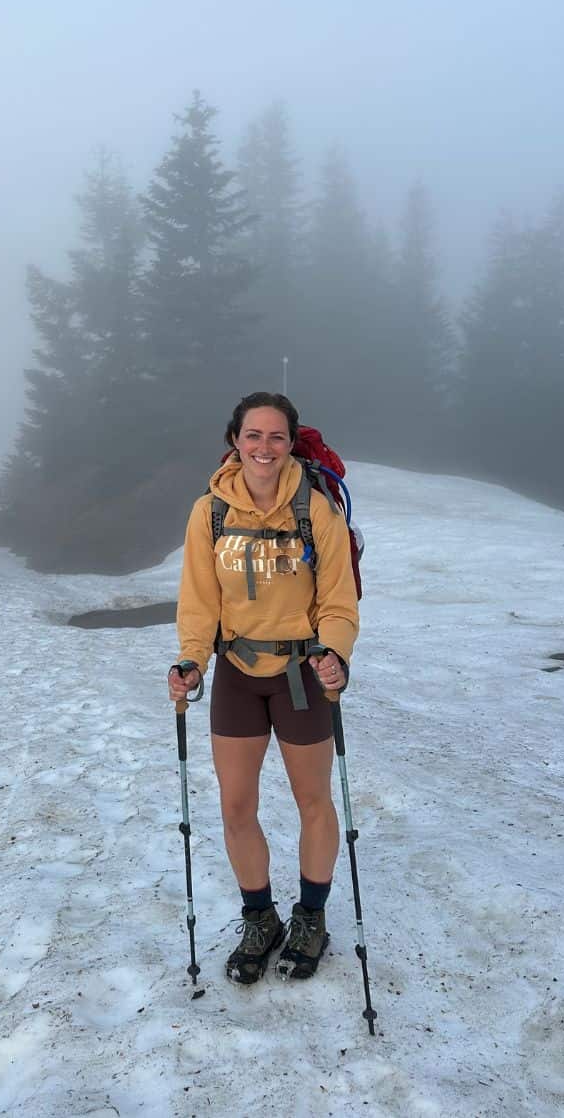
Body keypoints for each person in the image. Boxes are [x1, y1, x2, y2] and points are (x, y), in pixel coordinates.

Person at [168, 391, 359, 984]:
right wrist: (192, 660)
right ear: (235, 440)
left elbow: (337, 601)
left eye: (276, 436)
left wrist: (335, 655)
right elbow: (199, 601)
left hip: (302, 674)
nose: (264, 447)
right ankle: (261, 918)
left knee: (313, 801)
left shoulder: (316, 511)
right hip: (236, 675)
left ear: (290, 442)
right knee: (235, 806)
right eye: (253, 435)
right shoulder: (210, 512)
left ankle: (311, 918)